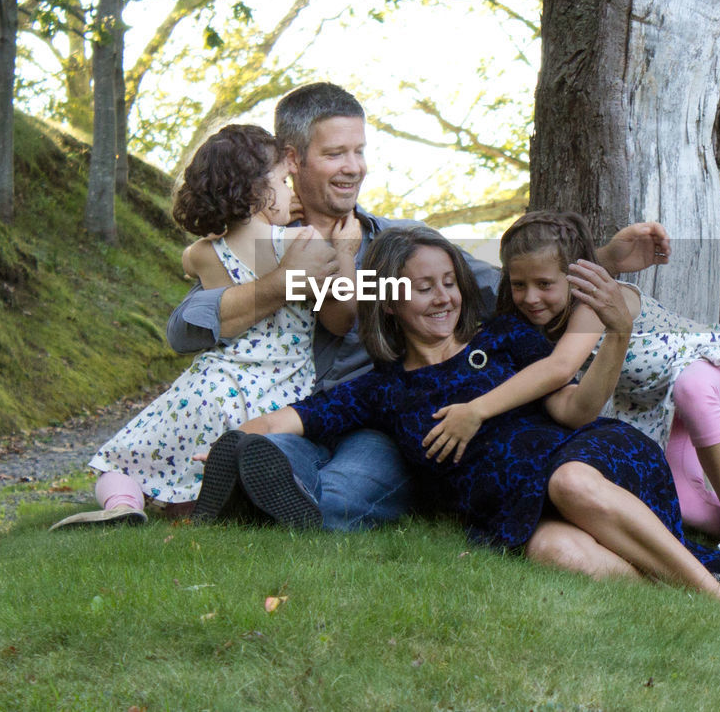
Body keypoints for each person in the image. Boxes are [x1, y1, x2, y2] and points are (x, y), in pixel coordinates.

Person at [196, 226, 720, 621]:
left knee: (568, 481)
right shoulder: (385, 389)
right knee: (554, 552)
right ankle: (685, 593)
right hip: (520, 513)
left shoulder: (505, 338)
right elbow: (295, 417)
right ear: (389, 302)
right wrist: (232, 441)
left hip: (591, 462)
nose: (442, 299)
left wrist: (614, 335)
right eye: (421, 289)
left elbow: (573, 407)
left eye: (448, 285)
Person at [164, 82, 677, 532]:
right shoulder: (261, 244)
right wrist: (283, 283)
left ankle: (273, 506)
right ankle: (258, 482)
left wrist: (603, 258)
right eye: (336, 153)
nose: (353, 167)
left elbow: (510, 293)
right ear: (293, 160)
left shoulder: (403, 245)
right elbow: (185, 330)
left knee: (357, 484)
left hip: (379, 414)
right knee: (278, 451)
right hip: (293, 408)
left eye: (359, 151)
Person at [421, 211, 720, 592]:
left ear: (575, 278)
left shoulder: (595, 301)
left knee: (692, 388)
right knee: (686, 508)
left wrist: (478, 409)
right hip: (653, 405)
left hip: (704, 366)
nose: (530, 296)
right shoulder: (538, 317)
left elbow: (559, 369)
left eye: (543, 283)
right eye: (519, 285)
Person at [49, 124, 357, 529]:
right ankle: (216, 504)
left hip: (207, 386)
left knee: (125, 458)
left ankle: (122, 504)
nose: (291, 193)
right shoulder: (300, 244)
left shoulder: (201, 254)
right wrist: (345, 251)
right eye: (282, 182)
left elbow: (203, 257)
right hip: (275, 393)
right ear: (257, 191)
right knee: (243, 464)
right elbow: (343, 312)